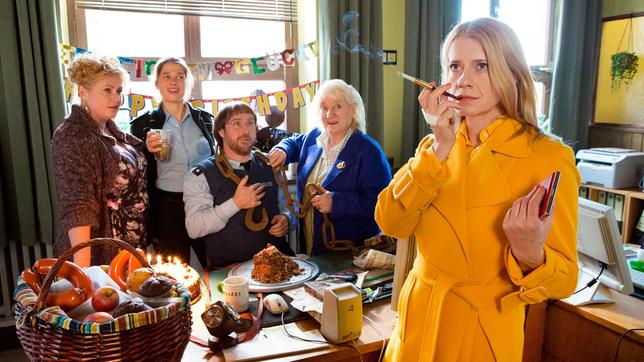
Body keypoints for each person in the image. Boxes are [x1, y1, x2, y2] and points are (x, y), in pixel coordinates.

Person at [375, 18, 580, 361]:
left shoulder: (548, 157)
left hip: (482, 337)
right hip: (416, 326)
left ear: (511, 73)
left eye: (481, 66)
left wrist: (531, 253)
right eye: (454, 65)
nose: (462, 80)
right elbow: (390, 223)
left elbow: (565, 280)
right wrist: (439, 148)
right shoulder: (434, 145)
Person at [269, 79, 392, 256]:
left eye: (338, 107)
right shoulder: (314, 137)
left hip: (349, 255)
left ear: (354, 111)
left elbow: (382, 205)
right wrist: (283, 149)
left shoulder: (368, 151)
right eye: (324, 107)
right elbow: (294, 142)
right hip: (311, 249)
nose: (329, 114)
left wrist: (337, 202)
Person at [52, 54, 148, 267]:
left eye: (119, 91)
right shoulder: (73, 135)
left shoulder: (110, 130)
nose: (116, 98)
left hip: (128, 244)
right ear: (83, 92)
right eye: (107, 90)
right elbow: (77, 205)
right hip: (101, 253)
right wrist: (84, 272)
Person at [183, 102, 294, 267]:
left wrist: (287, 218)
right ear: (221, 131)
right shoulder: (199, 175)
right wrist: (235, 204)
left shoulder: (271, 164)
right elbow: (194, 228)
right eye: (237, 123)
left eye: (250, 123)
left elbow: (287, 206)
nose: (245, 130)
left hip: (278, 265)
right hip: (228, 273)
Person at [130, 57, 215, 267]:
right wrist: (144, 150)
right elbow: (133, 171)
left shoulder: (205, 119)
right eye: (166, 76)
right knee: (174, 269)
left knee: (212, 262)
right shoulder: (142, 125)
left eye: (180, 76)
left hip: (205, 199)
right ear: (157, 83)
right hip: (167, 206)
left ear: (187, 83)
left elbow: (218, 158)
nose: (174, 82)